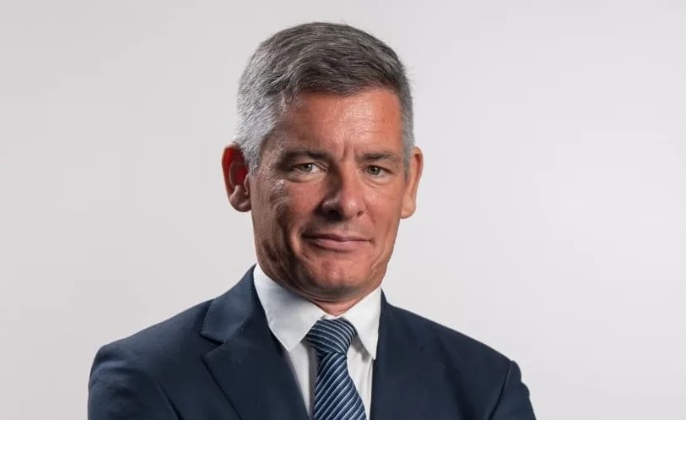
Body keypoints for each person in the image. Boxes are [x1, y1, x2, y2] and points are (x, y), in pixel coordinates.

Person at [87, 21, 536, 420]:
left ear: (409, 183)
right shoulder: (149, 377)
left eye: (375, 169)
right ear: (241, 178)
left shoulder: (487, 390)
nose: (346, 203)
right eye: (308, 166)